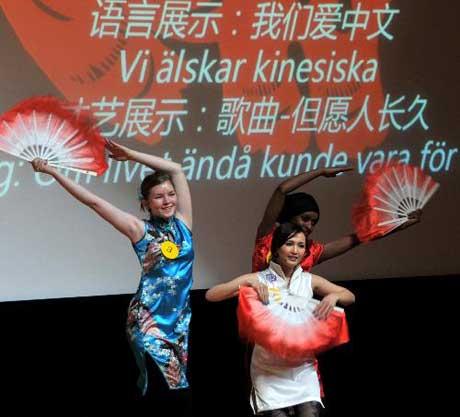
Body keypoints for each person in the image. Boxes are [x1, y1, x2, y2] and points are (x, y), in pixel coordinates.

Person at [31, 140, 193, 413]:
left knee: (176, 388)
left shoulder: (184, 223)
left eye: (170, 194)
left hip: (178, 321)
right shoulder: (138, 229)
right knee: (160, 391)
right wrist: (53, 172)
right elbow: (93, 202)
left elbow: (176, 169)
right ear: (146, 204)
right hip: (148, 321)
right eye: (158, 197)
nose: (167, 201)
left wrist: (131, 155)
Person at [206, 223, 355, 416]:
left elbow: (350, 296)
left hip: (302, 369)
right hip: (267, 369)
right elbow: (211, 295)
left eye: (301, 246)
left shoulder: (309, 280)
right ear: (276, 248)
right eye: (289, 244)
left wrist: (334, 296)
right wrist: (247, 282)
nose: (295, 250)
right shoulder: (259, 278)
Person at [253, 167, 422, 272]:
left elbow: (358, 237)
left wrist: (400, 223)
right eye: (305, 219)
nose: (309, 226)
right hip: (260, 316)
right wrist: (320, 172)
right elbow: (281, 190)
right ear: (290, 215)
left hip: (292, 321)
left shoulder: (311, 251)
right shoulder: (267, 236)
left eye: (314, 222)